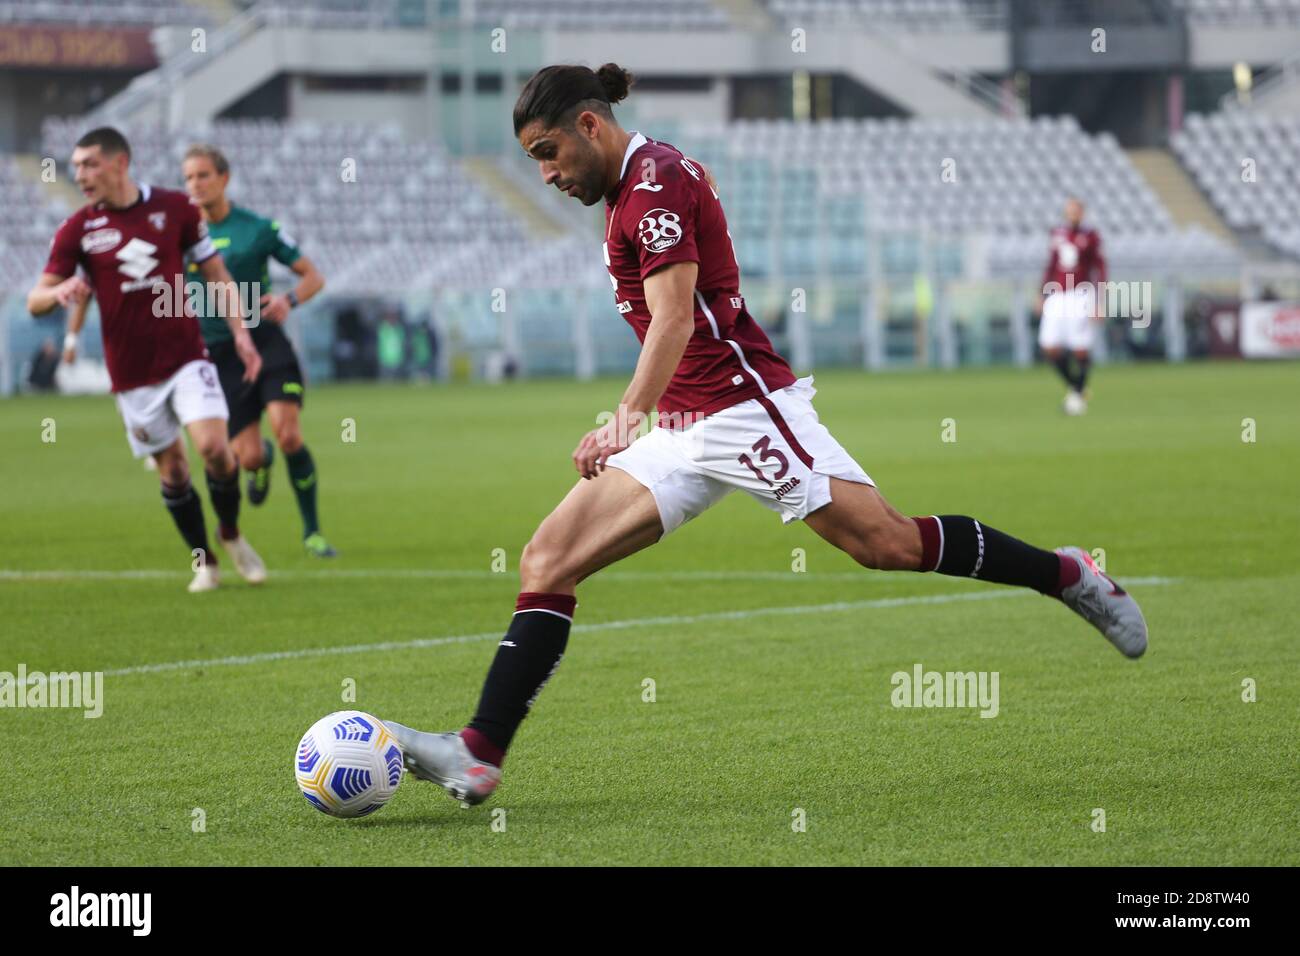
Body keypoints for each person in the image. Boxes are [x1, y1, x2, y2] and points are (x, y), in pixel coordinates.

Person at [384, 65, 1148, 807]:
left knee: (884, 544)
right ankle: (480, 753)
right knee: (549, 558)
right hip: (684, 426)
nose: (546, 174)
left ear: (589, 124)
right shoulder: (633, 188)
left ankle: (1068, 575)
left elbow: (677, 317)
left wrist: (622, 420)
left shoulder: (655, 183)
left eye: (548, 152)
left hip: (742, 410)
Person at [29, 126, 266, 592]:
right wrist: (58, 292)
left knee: (216, 450)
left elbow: (216, 273)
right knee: (174, 471)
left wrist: (241, 332)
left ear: (120, 163)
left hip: (185, 355)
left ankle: (232, 534)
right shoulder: (77, 229)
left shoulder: (175, 209)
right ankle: (205, 560)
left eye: (89, 164)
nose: (80, 174)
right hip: (132, 374)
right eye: (75, 166)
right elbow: (34, 300)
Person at [180, 144, 334, 557]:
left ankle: (312, 531)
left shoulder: (259, 228)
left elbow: (313, 276)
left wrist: (289, 301)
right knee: (245, 458)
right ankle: (259, 461)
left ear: (223, 179)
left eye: (203, 175)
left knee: (288, 434)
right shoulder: (183, 236)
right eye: (189, 178)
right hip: (220, 355)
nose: (195, 184)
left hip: (265, 341)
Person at [1037, 197, 1106, 415]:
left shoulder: (1091, 236)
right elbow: (1051, 264)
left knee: (1080, 347)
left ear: (1082, 213)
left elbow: (1100, 268)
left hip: (1080, 293)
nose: (1073, 213)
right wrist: (1042, 293)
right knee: (1049, 346)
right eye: (1070, 210)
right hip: (1058, 294)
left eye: (1076, 210)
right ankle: (1078, 387)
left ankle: (1076, 395)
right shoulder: (1057, 234)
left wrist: (1099, 301)